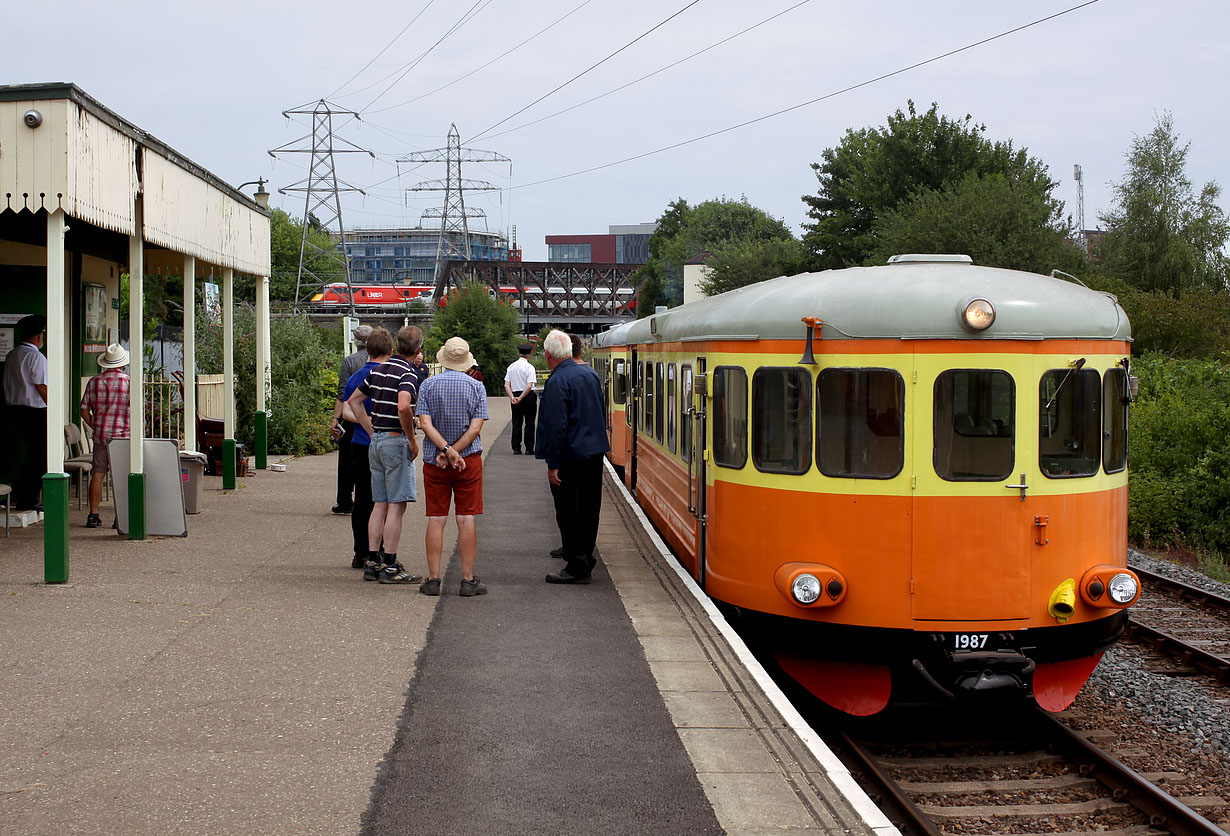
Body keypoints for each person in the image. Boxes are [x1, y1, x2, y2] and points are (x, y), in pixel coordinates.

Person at [347, 325, 423, 585]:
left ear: (397, 346)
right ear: (418, 349)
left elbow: (354, 401)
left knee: (378, 503)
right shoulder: (408, 374)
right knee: (396, 505)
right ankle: (390, 563)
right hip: (395, 440)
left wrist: (370, 429)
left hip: (376, 441)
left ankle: (372, 561)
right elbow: (404, 405)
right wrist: (412, 440)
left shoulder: (378, 371)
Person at [416, 336, 489, 597]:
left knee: (436, 518)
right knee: (466, 518)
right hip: (468, 462)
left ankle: (433, 579)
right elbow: (476, 427)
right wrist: (456, 452)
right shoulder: (476, 387)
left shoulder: (427, 385)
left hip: (435, 462)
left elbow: (424, 424)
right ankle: (467, 580)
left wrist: (445, 451)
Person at [536, 329, 609, 585]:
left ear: (547, 355)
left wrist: (552, 464)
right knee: (589, 510)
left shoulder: (557, 381)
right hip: (593, 451)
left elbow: (556, 426)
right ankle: (582, 556)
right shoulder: (589, 374)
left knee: (569, 511)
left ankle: (577, 566)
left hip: (571, 454)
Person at [340, 327, 392, 570]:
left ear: (367, 350)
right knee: (384, 501)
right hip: (385, 443)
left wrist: (364, 424)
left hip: (359, 443)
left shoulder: (355, 377)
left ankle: (359, 551)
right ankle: (379, 550)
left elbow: (346, 410)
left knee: (362, 498)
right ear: (390, 351)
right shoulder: (390, 375)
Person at [79, 343, 131, 528]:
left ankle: (93, 514)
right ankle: (121, 516)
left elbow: (84, 410)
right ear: (123, 363)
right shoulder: (128, 382)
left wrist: (95, 424)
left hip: (101, 436)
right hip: (122, 436)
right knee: (121, 475)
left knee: (98, 474)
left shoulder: (94, 382)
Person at [3, 315, 48, 511]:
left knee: (33, 453)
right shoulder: (36, 357)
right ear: (39, 336)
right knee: (41, 454)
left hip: (14, 410)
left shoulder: (12, 355)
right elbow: (41, 386)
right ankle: (27, 495)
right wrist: (53, 408)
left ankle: (20, 490)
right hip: (34, 411)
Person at [331, 324, 372, 515]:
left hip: (351, 417)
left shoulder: (349, 361)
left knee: (346, 461)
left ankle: (345, 499)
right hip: (372, 418)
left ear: (355, 341)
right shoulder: (378, 361)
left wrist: (335, 418)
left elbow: (342, 394)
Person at [504, 343, 538, 455]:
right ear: (529, 355)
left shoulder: (511, 367)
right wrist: (522, 397)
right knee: (529, 422)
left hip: (515, 394)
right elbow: (529, 385)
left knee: (517, 422)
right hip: (528, 396)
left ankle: (516, 448)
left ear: (519, 353)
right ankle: (529, 448)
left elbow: (506, 385)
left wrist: (513, 397)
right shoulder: (530, 368)